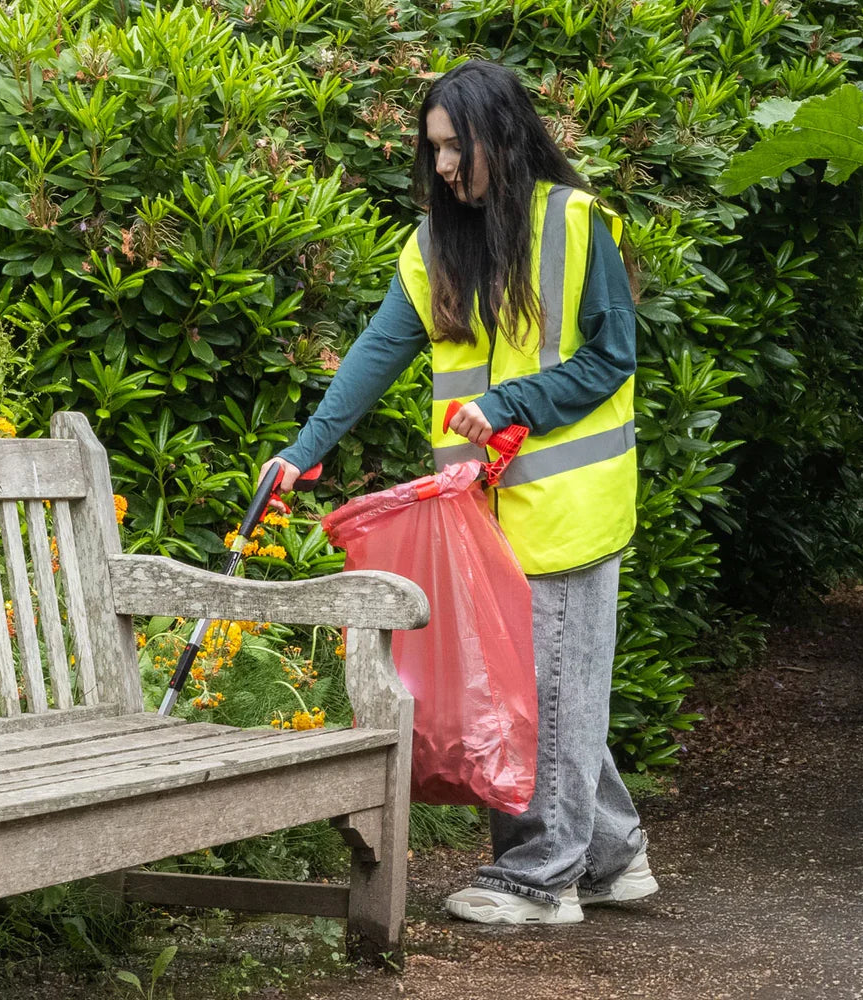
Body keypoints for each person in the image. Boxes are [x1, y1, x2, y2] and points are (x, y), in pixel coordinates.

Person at [260, 59, 658, 925]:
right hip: (482, 513)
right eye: (432, 150)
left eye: (453, 148)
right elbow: (376, 353)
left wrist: (509, 402)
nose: (441, 166)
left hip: (569, 504)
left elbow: (611, 358)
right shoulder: (438, 243)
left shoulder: (579, 224)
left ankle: (538, 877)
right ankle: (612, 856)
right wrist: (304, 451)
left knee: (546, 691)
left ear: (500, 136)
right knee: (547, 688)